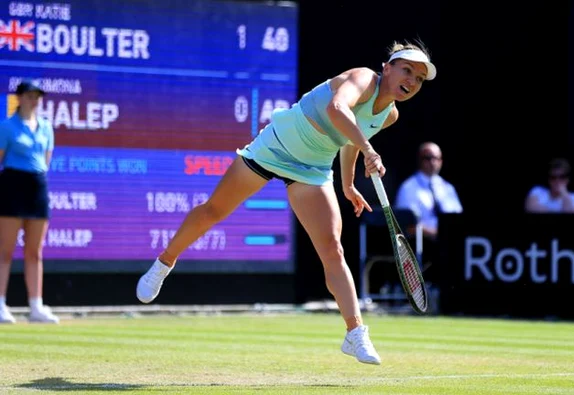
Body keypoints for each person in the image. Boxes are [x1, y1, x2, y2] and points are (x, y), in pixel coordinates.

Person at [136, 40, 437, 365]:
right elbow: (338, 109)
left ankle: (355, 333)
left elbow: (351, 137)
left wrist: (348, 183)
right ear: (387, 68)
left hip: (313, 168)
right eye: (407, 70)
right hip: (275, 147)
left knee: (333, 249)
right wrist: (368, 150)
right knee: (214, 211)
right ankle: (165, 262)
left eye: (419, 78)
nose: (412, 81)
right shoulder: (363, 78)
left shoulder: (390, 115)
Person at [0, 80, 60, 324]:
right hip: (12, 186)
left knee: (35, 252)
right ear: (20, 98)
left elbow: (46, 160)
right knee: (5, 251)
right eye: (30, 95)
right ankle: (1, 304)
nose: (34, 100)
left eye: (37, 96)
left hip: (37, 187)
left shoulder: (46, 127)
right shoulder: (7, 126)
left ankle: (36, 306)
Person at [394, 141, 462, 270]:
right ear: (420, 160)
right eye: (428, 158)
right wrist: (437, 234)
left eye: (436, 158)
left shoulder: (448, 188)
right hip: (423, 242)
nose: (432, 162)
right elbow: (406, 226)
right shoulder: (408, 188)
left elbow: (457, 218)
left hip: (451, 242)